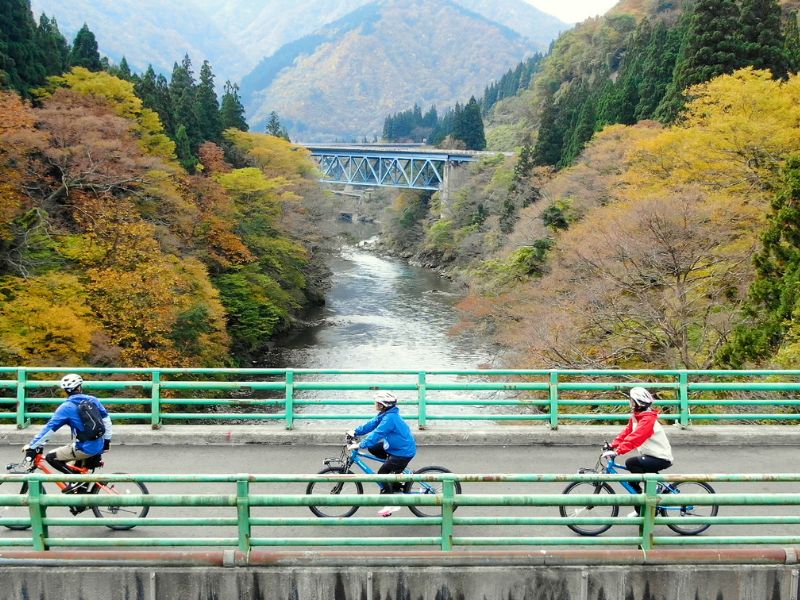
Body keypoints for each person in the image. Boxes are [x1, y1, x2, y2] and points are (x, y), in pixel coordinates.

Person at [22, 374, 112, 508]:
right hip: (98, 443)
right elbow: (107, 421)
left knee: (52, 457)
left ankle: (76, 482)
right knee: (73, 463)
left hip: (86, 447)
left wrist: (34, 446)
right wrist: (107, 442)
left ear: (65, 391)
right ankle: (80, 492)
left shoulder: (66, 408)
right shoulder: (93, 399)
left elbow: (49, 429)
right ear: (80, 387)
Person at [602, 387, 673, 516]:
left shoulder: (647, 420)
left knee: (632, 463)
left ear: (639, 403)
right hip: (650, 455)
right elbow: (627, 433)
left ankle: (651, 491)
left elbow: (636, 438)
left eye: (632, 401)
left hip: (660, 458)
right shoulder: (637, 417)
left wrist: (618, 452)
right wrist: (613, 445)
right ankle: (642, 507)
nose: (630, 403)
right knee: (632, 480)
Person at [347, 391, 417, 517]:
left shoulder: (390, 419)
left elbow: (377, 433)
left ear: (383, 405)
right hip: (395, 447)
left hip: (402, 452)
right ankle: (395, 470)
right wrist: (355, 432)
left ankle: (392, 504)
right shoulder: (386, 414)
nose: (375, 405)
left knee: (382, 474)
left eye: (377, 403)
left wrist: (360, 444)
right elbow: (372, 424)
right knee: (373, 448)